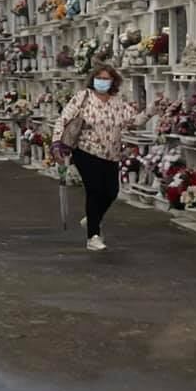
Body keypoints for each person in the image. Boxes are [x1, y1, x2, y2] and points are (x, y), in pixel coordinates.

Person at [52, 63, 147, 252]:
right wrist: (56, 143)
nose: (102, 82)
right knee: (94, 190)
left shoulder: (117, 103)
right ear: (93, 79)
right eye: (99, 78)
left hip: (111, 154)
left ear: (113, 82)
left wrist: (152, 111)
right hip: (86, 150)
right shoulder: (83, 98)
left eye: (106, 79)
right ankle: (93, 236)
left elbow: (134, 122)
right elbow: (64, 119)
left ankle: (92, 218)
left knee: (111, 191)